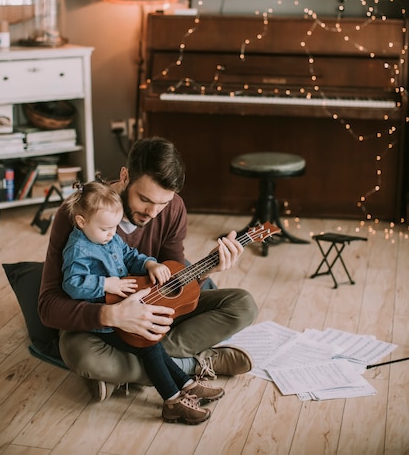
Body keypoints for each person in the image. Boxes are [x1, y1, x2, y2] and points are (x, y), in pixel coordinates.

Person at [38, 136, 258, 404]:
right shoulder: (79, 213)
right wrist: (113, 314)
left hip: (153, 310)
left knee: (243, 305)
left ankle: (129, 371)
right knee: (79, 353)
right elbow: (48, 306)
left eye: (162, 204)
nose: (153, 212)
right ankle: (194, 364)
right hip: (103, 321)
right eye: (144, 199)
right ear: (125, 176)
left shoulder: (173, 208)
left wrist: (205, 270)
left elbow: (176, 287)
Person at [62, 180, 224, 424]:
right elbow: (72, 284)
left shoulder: (109, 236)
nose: (111, 234)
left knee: (153, 343)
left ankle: (187, 384)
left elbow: (129, 255)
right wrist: (107, 284)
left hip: (128, 304)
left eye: (115, 227)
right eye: (106, 229)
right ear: (81, 222)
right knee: (149, 343)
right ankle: (171, 401)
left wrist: (150, 263)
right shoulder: (78, 249)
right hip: (104, 318)